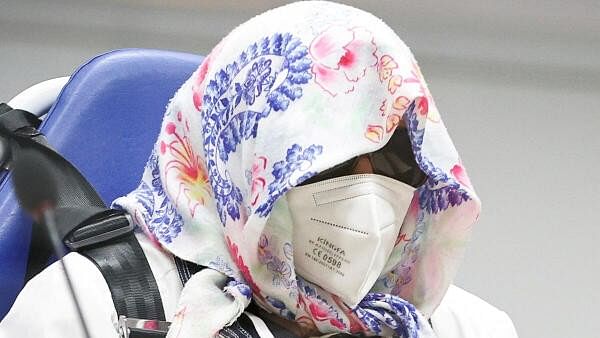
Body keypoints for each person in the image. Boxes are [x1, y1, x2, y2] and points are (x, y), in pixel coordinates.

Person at [0, 1, 518, 337]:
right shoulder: (97, 306)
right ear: (249, 163)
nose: (367, 190)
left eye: (395, 158)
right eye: (330, 158)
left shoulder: (463, 326)